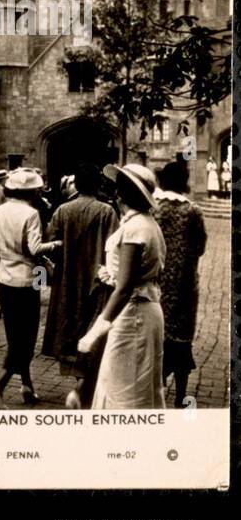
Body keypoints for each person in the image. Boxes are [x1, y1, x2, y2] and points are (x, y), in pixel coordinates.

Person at [78, 164, 166, 409]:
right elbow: (137, 274)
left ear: (125, 195)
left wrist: (94, 332)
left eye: (119, 190)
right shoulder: (146, 223)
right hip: (140, 311)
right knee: (130, 382)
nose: (115, 195)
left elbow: (126, 287)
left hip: (133, 314)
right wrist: (111, 274)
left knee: (126, 389)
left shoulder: (135, 228)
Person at [0, 169, 60, 408]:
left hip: (4, 278)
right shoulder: (31, 213)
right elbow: (35, 248)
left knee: (14, 335)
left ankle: (27, 385)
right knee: (26, 338)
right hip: (27, 279)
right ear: (30, 190)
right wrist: (57, 244)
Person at [42, 164, 119, 363]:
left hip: (68, 274)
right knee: (92, 319)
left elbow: (50, 241)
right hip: (97, 275)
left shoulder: (63, 210)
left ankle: (72, 361)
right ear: (98, 185)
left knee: (69, 315)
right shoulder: (107, 212)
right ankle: (86, 374)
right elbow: (115, 246)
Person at [154, 160, 207, 408]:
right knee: (182, 337)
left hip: (157, 283)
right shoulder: (193, 211)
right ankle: (181, 394)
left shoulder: (154, 208)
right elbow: (200, 246)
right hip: (184, 284)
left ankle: (157, 387)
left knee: (158, 335)